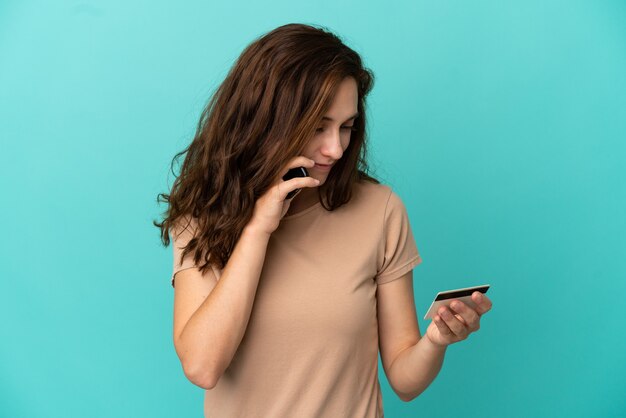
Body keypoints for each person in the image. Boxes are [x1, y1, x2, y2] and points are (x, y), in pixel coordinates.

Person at [154, 23, 493, 418]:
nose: (335, 149)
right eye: (318, 128)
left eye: (347, 127)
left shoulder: (380, 210)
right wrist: (258, 230)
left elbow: (403, 378)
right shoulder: (202, 216)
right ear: (266, 121)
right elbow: (202, 366)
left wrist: (436, 340)